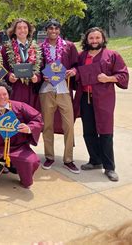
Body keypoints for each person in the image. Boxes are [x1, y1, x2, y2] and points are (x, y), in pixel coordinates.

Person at [73, 27, 129, 182]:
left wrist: (109, 78)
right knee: (88, 131)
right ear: (87, 40)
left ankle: (109, 167)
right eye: (91, 38)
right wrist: (74, 73)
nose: (94, 41)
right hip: (85, 97)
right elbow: (76, 72)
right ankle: (95, 160)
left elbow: (123, 75)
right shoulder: (81, 56)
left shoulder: (112, 55)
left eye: (97, 38)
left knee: (105, 131)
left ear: (103, 39)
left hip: (104, 98)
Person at [0, 81, 42, 188]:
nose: (2, 97)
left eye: (4, 94)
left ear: (8, 94)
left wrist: (29, 128)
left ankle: (25, 180)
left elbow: (37, 118)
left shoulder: (20, 107)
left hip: (18, 147)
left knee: (31, 161)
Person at [39, 19, 79, 173]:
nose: (53, 31)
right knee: (47, 125)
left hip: (64, 90)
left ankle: (68, 159)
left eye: (56, 28)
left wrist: (73, 71)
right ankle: (49, 157)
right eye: (50, 28)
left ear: (59, 31)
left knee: (69, 125)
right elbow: (37, 67)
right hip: (46, 91)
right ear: (46, 30)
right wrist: (43, 76)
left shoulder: (69, 46)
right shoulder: (40, 48)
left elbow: (76, 65)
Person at [2, 18, 42, 111]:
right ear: (14, 31)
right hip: (14, 89)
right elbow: (1, 68)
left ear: (29, 30)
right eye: (19, 28)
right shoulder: (6, 48)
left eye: (25, 27)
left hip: (31, 90)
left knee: (31, 116)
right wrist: (9, 76)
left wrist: (36, 78)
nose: (22, 30)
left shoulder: (36, 48)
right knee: (16, 116)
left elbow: (42, 68)